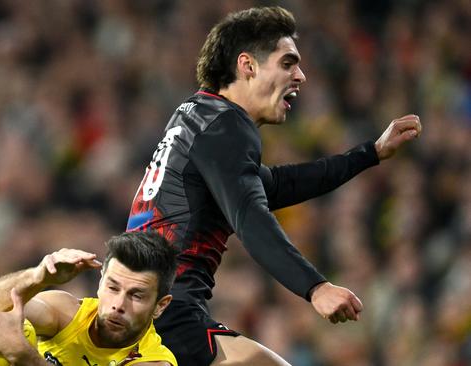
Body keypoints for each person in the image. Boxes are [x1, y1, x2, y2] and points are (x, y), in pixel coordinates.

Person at [126, 6, 421, 366]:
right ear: (247, 65)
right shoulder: (227, 126)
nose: (301, 75)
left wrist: (370, 153)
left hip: (140, 304)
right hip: (169, 312)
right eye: (287, 63)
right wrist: (316, 288)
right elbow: (251, 216)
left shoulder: (197, 115)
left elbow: (277, 184)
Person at [0, 232, 178, 366]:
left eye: (136, 296)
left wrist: (26, 358)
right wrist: (36, 277)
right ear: (100, 283)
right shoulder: (67, 313)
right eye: (112, 287)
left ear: (160, 306)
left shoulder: (153, 362)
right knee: (4, 327)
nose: (118, 305)